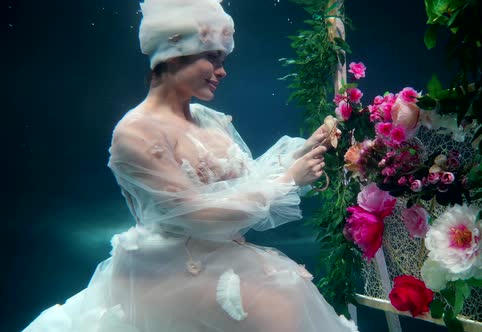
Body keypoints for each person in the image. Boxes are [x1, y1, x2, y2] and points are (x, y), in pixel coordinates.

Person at [23, 0, 358, 331]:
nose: (222, 70)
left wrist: (302, 153)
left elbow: (243, 183)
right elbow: (193, 215)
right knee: (279, 301)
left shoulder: (205, 119)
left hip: (224, 259)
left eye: (223, 59)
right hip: (169, 273)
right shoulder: (136, 131)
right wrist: (285, 181)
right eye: (212, 56)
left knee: (286, 299)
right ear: (174, 54)